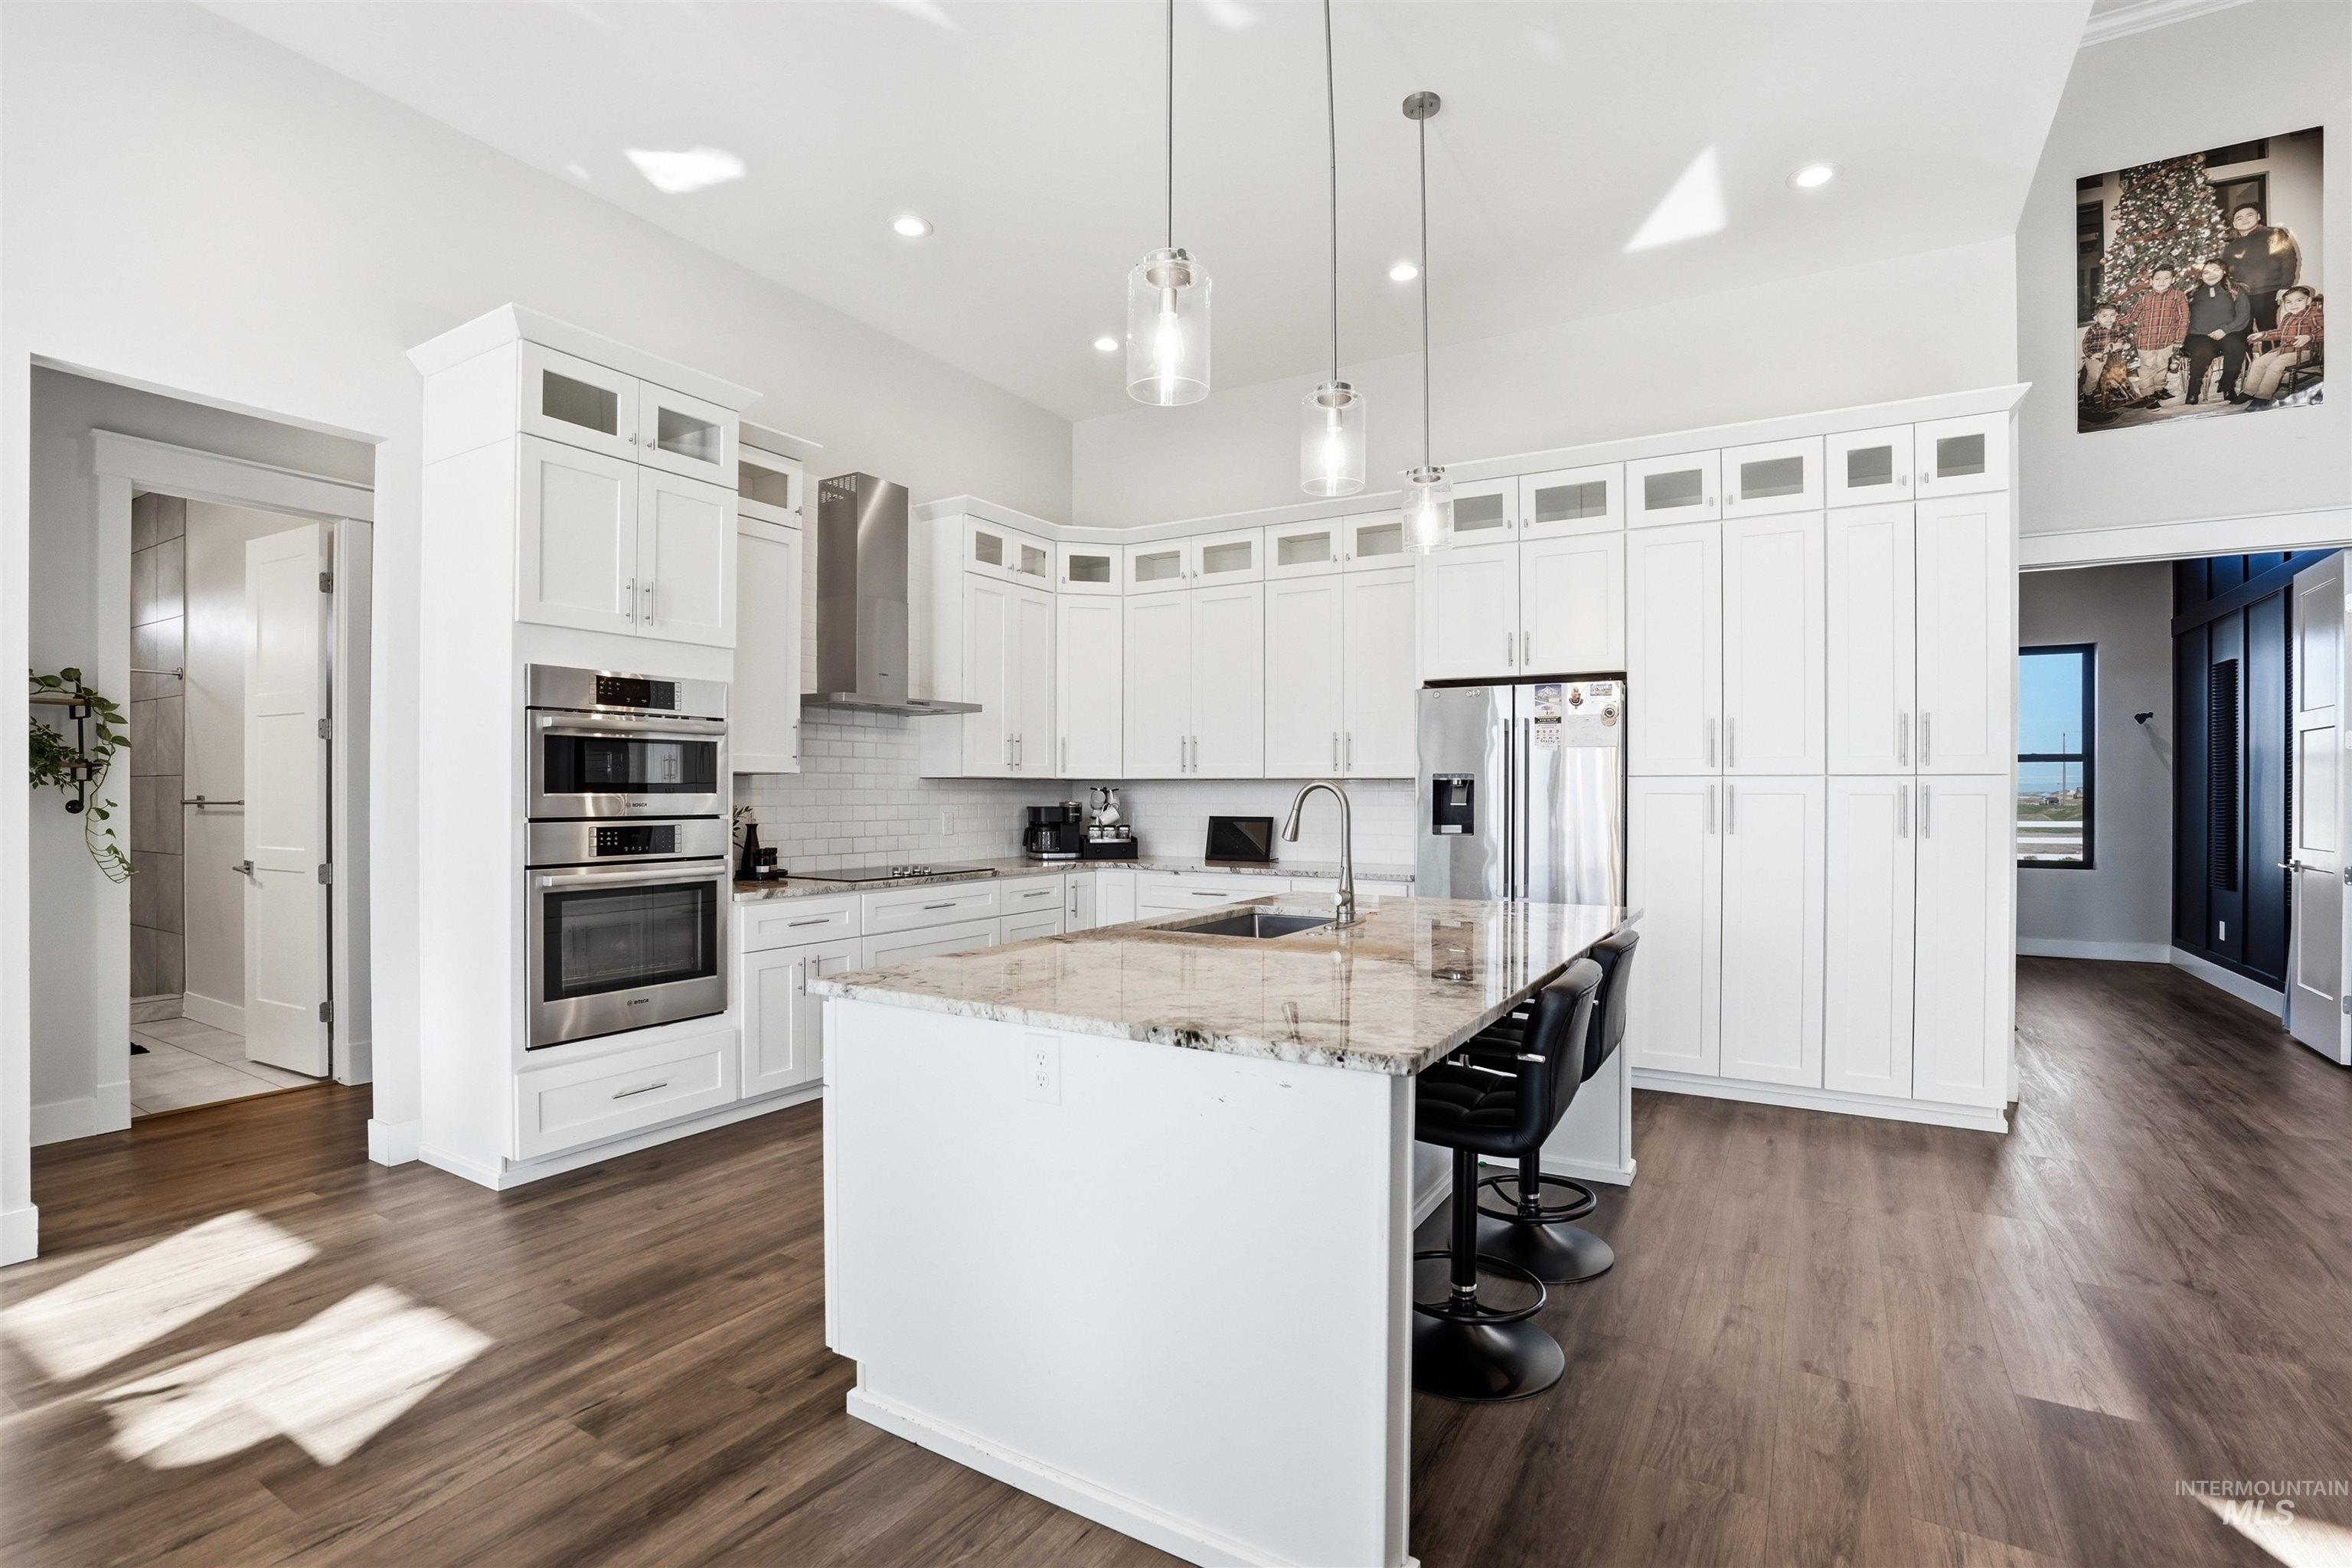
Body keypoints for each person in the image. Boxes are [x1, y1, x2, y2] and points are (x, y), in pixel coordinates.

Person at [2220, 202, 2303, 334]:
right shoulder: (2230, 246)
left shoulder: (2275, 234)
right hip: (2242, 297)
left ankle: (2270, 355)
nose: (2245, 219)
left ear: (2258, 217)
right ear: (2235, 224)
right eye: (2239, 218)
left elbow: (2288, 260)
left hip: (2269, 293)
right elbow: (2225, 272)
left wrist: (2285, 287)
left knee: (2268, 334)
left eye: (2249, 215)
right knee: (2241, 334)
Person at [2181, 260, 2252, 404]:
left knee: (2236, 347)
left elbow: (2244, 316)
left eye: (2216, 270)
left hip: (2228, 332)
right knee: (2202, 352)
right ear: (2201, 275)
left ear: (2224, 271)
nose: (2211, 275)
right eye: (2206, 272)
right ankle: (2193, 391)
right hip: (2198, 335)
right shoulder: (2191, 294)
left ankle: (2227, 386)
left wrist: (2224, 330)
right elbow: (2181, 317)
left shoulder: (2236, 290)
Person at [2118, 265, 2187, 399]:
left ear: (2172, 280)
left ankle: (2159, 389)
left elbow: (2184, 318)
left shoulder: (2178, 296)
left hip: (2167, 340)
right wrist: (2115, 321)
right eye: (2158, 279)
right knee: (2147, 369)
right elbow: (2132, 316)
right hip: (2146, 341)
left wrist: (2180, 338)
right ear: (2151, 281)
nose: (2161, 282)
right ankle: (2148, 395)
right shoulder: (2145, 298)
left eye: (2166, 278)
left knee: (2161, 368)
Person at [2244, 285, 2324, 403]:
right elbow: (2279, 333)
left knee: (2275, 366)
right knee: (2258, 363)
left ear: (2309, 301)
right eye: (2289, 302)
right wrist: (2262, 335)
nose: (2293, 305)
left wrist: (2309, 337)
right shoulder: (2287, 317)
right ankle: (2249, 391)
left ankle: (2262, 397)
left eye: (2299, 300)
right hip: (2284, 350)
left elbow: (2324, 330)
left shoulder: (2313, 313)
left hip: (2304, 351)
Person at [2079, 302, 2132, 397]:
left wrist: (2125, 343)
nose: (2109, 319)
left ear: (2117, 316)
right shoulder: (2093, 330)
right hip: (2096, 356)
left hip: (2114, 355)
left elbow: (2124, 337)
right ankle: (2088, 393)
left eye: (2112, 315)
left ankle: (2114, 388)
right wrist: (2092, 354)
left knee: (2117, 372)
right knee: (2094, 376)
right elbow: (2086, 343)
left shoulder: (2118, 327)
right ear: (2096, 318)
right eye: (2104, 316)